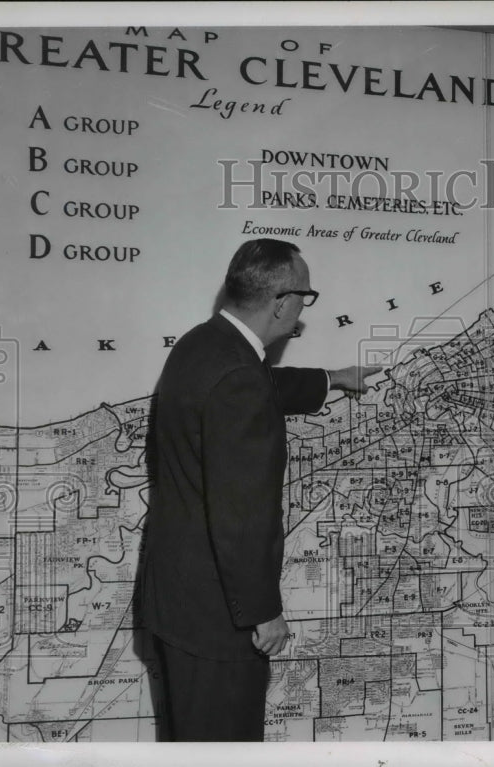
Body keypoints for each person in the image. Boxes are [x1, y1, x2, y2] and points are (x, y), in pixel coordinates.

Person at [141, 238, 380, 741]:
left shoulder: (201, 344)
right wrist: (263, 611)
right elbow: (241, 512)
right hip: (218, 621)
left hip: (179, 602)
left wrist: (332, 378)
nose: (303, 308)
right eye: (305, 297)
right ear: (281, 303)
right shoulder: (238, 377)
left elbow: (254, 385)